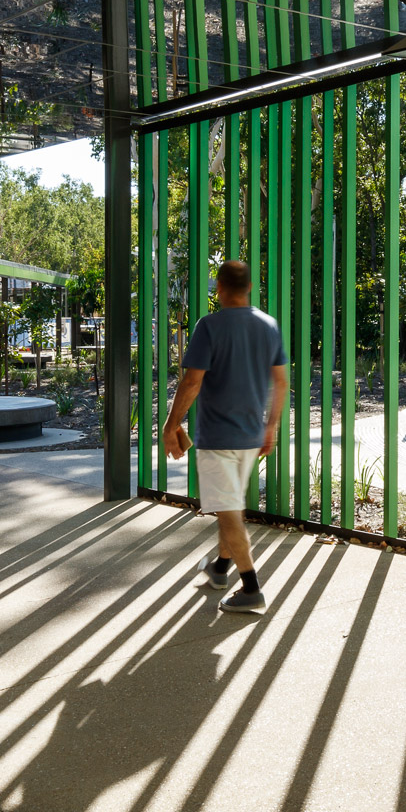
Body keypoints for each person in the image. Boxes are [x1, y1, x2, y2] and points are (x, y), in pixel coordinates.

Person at [162, 259, 288, 615]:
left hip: (218, 437)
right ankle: (219, 569)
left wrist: (171, 425)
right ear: (248, 287)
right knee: (228, 504)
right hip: (251, 435)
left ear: (218, 288)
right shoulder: (268, 326)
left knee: (229, 512)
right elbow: (280, 381)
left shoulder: (210, 326)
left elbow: (191, 382)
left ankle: (250, 587)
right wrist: (271, 426)